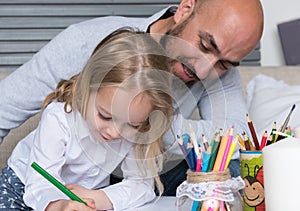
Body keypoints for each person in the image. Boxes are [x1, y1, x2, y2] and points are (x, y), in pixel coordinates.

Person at [0, 0, 264, 195]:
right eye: (205, 45)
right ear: (185, 9)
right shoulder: (87, 41)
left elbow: (237, 136)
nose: (205, 70)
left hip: (142, 166)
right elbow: (4, 106)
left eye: (225, 64)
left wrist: (158, 125)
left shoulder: (218, 69)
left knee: (244, 175)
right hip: (70, 170)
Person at [0, 28, 174, 210]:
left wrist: (98, 197)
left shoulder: (140, 128)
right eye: (105, 116)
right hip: (24, 189)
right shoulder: (58, 119)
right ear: (87, 87)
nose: (114, 132)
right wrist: (61, 205)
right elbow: (40, 183)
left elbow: (141, 185)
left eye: (132, 125)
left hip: (86, 198)